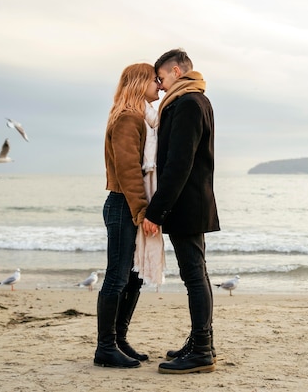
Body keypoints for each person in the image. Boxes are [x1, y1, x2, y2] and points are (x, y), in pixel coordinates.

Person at [142, 49, 220, 374]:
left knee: (194, 276)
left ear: (176, 71)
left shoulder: (188, 103)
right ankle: (202, 341)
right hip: (192, 202)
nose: (159, 85)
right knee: (197, 274)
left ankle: (202, 350)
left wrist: (155, 211)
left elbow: (178, 163)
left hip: (187, 204)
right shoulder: (195, 99)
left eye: (161, 78)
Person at [95, 63, 160, 369]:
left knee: (132, 277)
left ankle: (119, 340)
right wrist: (142, 211)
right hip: (124, 204)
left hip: (129, 204)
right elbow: (128, 170)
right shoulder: (128, 118)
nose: (159, 85)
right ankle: (105, 347)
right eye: (154, 80)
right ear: (139, 82)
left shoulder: (142, 119)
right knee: (117, 276)